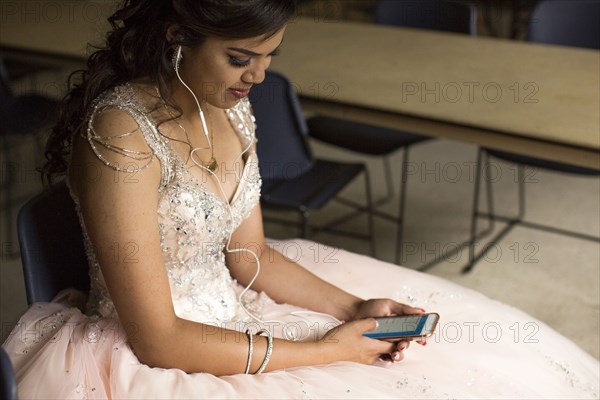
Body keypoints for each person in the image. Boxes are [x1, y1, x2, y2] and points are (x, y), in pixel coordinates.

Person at [2, 0, 598, 398]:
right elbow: (157, 338)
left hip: (234, 310)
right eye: (240, 58)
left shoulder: (230, 108)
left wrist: (352, 309)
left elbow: (248, 256)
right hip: (159, 350)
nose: (257, 77)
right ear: (177, 36)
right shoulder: (122, 131)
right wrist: (319, 350)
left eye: (269, 57)